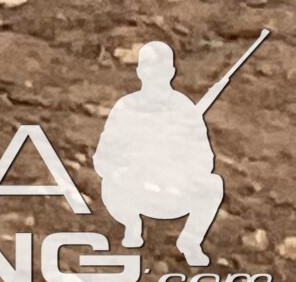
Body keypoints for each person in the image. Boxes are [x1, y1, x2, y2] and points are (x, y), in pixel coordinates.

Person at [94, 40, 229, 267]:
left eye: (161, 68)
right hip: (134, 190)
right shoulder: (126, 107)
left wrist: (176, 159)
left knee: (213, 184)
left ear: (171, 72)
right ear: (139, 71)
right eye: (148, 67)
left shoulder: (185, 109)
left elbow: (204, 160)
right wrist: (132, 163)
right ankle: (132, 225)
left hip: (172, 191)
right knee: (113, 181)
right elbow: (104, 157)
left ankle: (190, 241)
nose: (154, 74)